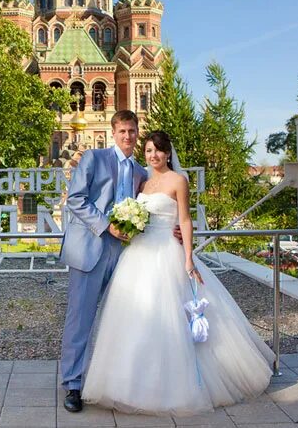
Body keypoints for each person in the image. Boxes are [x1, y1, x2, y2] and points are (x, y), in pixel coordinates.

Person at [82, 130, 274, 416]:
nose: (153, 155)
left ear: (168, 153)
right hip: (138, 254)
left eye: (158, 150)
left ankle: (172, 388)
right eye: (148, 150)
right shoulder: (143, 184)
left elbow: (184, 219)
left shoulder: (178, 181)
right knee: (134, 318)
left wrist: (188, 258)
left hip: (167, 253)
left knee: (169, 319)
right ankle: (129, 385)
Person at [59, 110, 149, 413]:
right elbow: (75, 199)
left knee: (118, 320)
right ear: (113, 132)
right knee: (80, 319)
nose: (128, 136)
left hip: (126, 253)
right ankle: (72, 384)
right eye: (123, 131)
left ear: (138, 133)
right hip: (91, 248)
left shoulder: (141, 172)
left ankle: (113, 383)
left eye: (132, 131)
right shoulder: (94, 159)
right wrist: (105, 224)